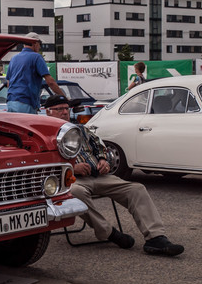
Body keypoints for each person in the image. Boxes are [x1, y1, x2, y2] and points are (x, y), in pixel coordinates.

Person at [45, 94, 184, 256]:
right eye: (59, 109)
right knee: (76, 193)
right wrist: (72, 167)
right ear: (48, 112)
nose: (64, 112)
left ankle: (156, 238)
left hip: (98, 176)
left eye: (66, 109)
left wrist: (104, 160)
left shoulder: (81, 130)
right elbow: (44, 164)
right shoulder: (46, 135)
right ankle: (109, 233)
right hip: (70, 181)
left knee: (136, 189)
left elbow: (100, 146)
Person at [6, 32, 66, 114]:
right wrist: (64, 97)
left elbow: (9, 83)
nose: (40, 47)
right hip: (26, 102)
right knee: (27, 126)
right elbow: (50, 82)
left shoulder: (14, 58)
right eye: (40, 44)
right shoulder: (36, 57)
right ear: (35, 43)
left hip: (11, 102)